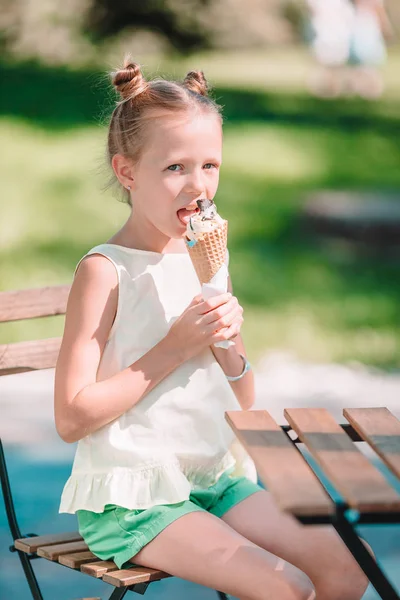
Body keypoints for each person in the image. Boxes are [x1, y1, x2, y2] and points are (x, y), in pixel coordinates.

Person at [55, 58, 370, 600]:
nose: (198, 186)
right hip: (135, 497)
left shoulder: (205, 256)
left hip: (213, 479)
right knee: (288, 588)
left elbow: (244, 399)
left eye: (210, 166)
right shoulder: (104, 271)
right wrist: (174, 347)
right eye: (175, 168)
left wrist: (227, 344)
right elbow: (70, 417)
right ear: (127, 172)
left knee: (347, 571)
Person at [347, 0, 393, 98]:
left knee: (366, 65)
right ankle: (365, 91)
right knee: (365, 65)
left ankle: (368, 91)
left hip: (365, 28)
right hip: (364, 29)